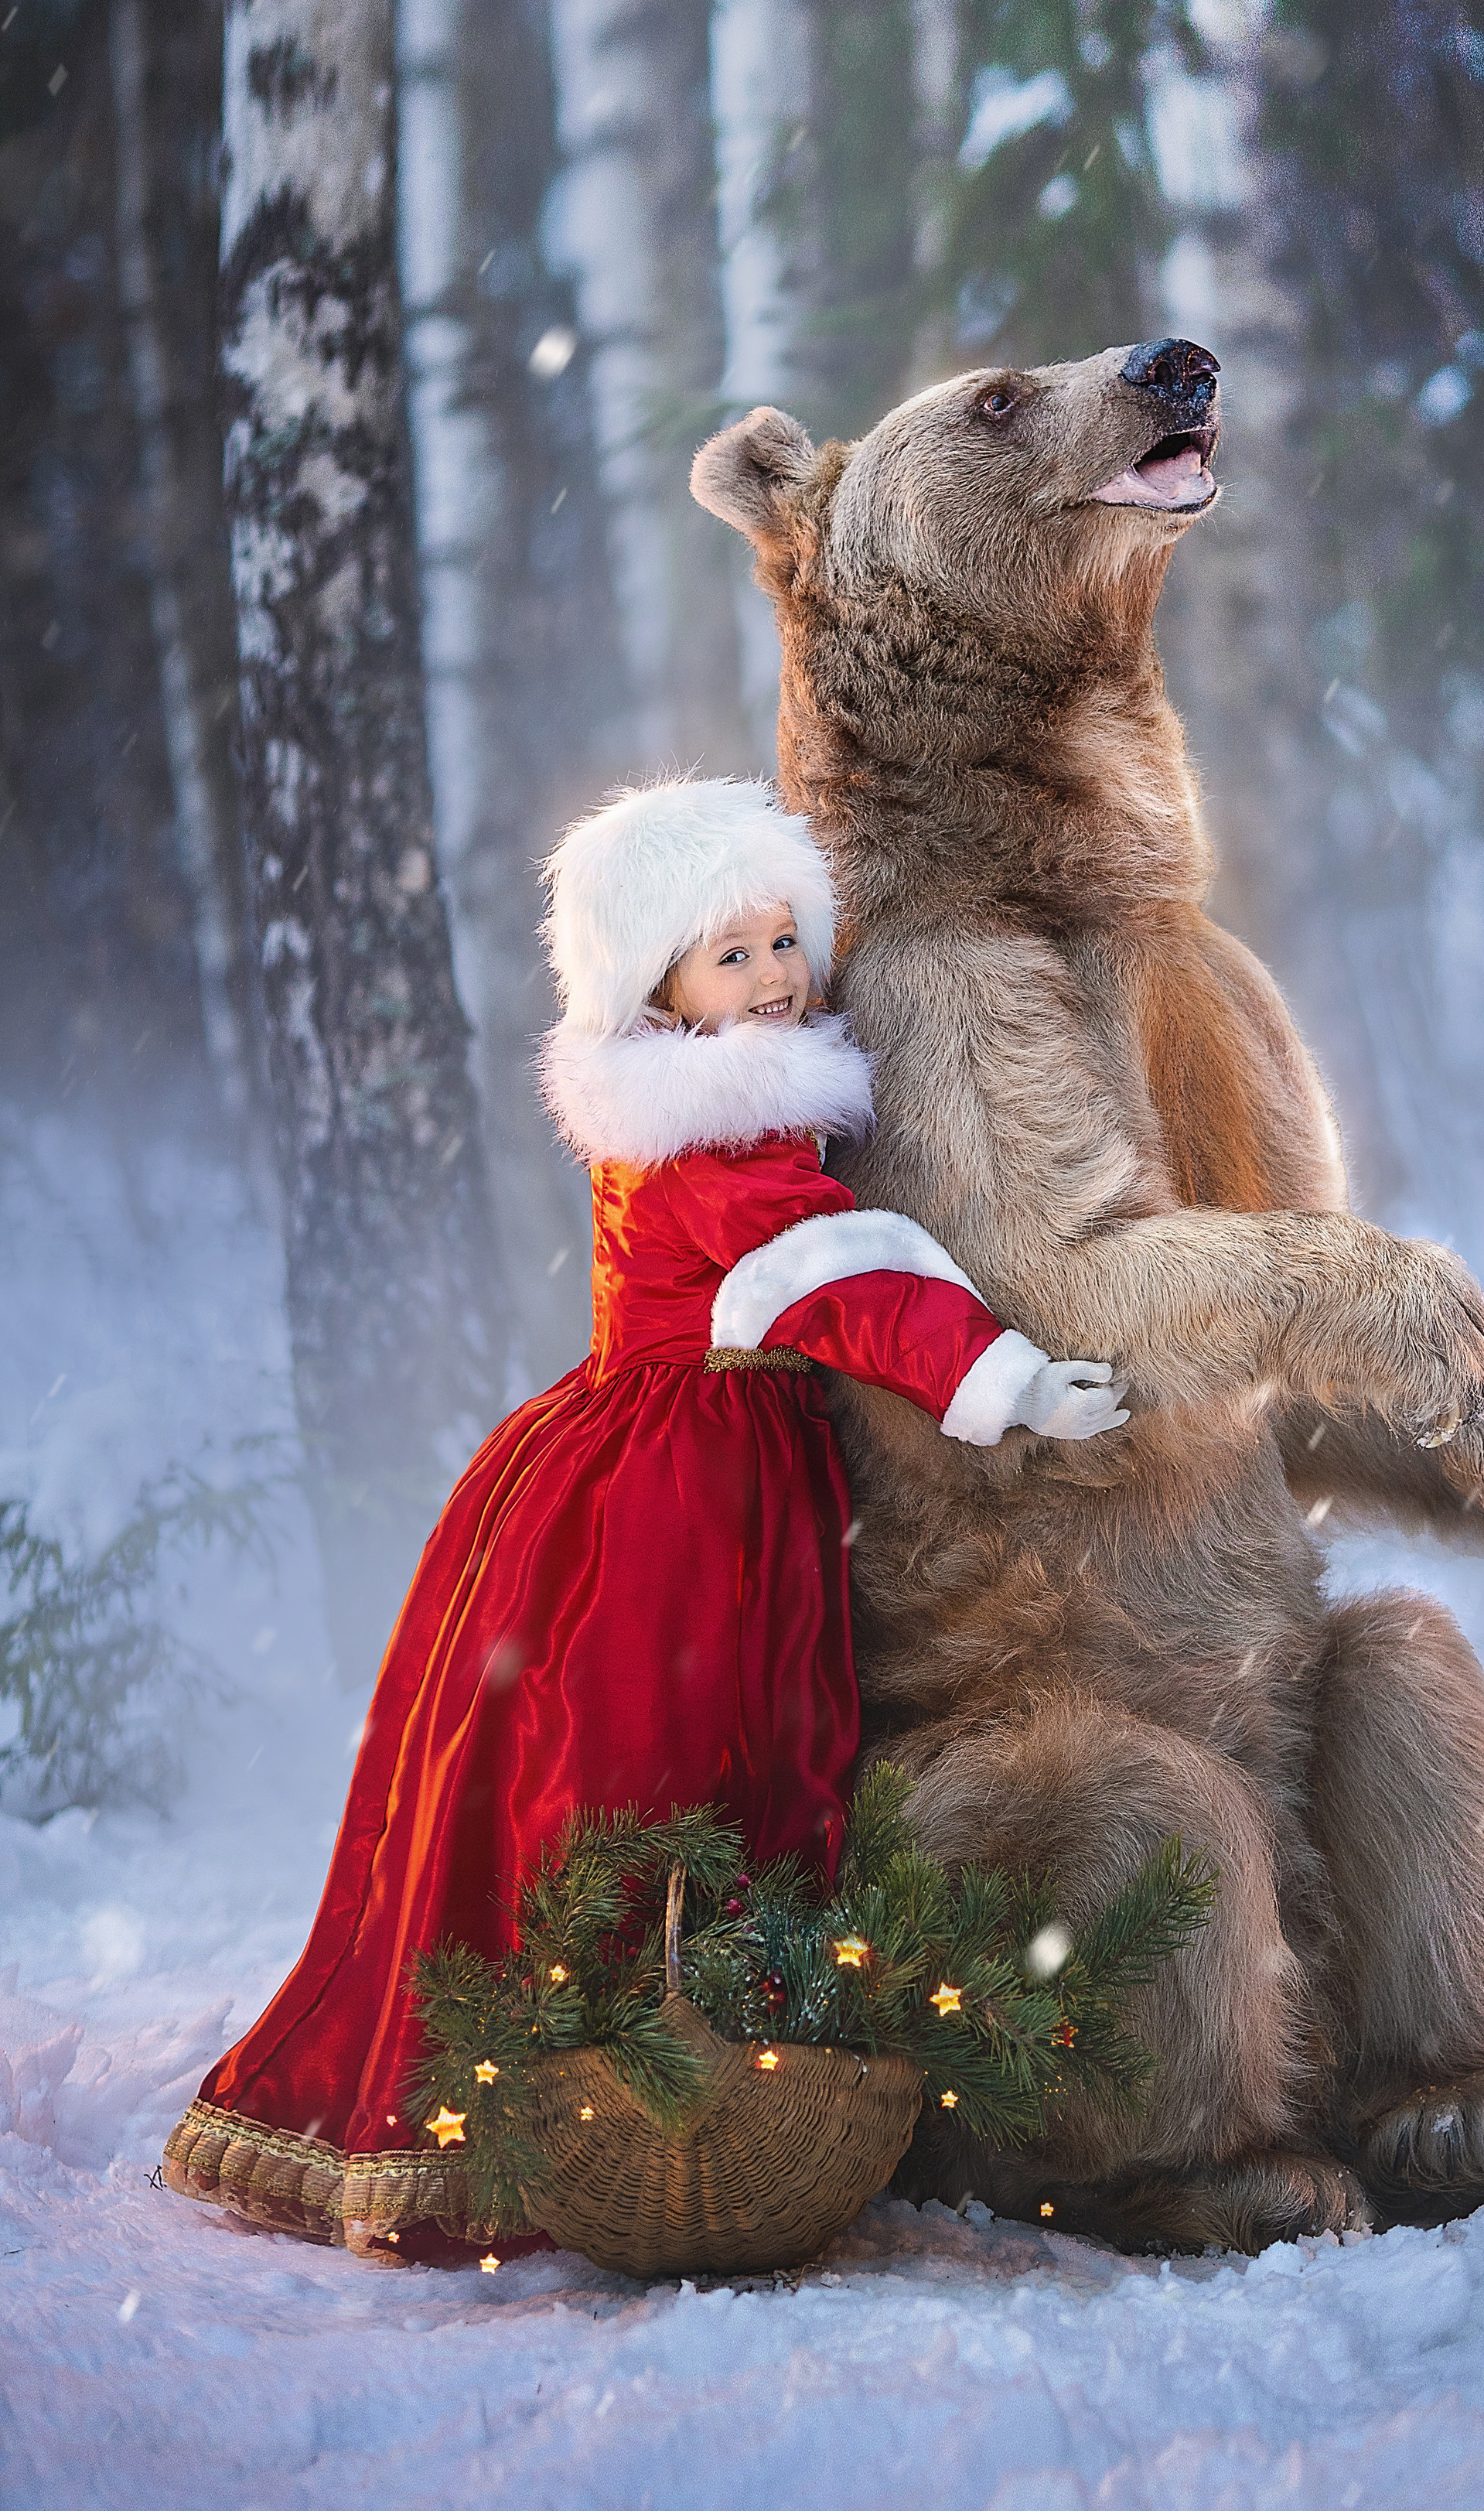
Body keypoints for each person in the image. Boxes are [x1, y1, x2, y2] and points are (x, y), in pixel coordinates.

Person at [162, 776, 1124, 2262]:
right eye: (724, 955)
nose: (772, 977)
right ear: (655, 990)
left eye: (780, 940)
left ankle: (707, 2058)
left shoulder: (751, 1105)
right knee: (657, 1748)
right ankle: (608, 2083)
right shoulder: (708, 1135)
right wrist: (998, 1377)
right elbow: (828, 1280)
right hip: (673, 1500)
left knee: (730, 1746)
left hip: (689, 1459)